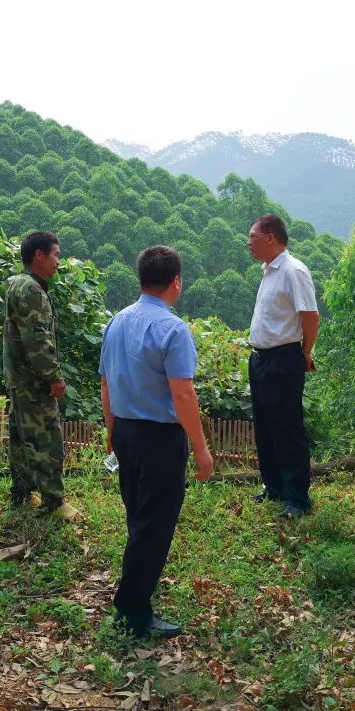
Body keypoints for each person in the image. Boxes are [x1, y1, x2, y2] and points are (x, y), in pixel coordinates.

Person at [99, 246, 215, 638]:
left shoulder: (117, 322)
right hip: (159, 438)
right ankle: (132, 611)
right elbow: (182, 395)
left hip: (126, 432)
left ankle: (135, 594)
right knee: (154, 523)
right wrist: (201, 449)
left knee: (138, 516)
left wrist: (112, 432)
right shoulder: (173, 329)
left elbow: (106, 383)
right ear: (176, 282)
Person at [246, 214, 320, 520]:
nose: (248, 242)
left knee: (287, 427)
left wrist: (305, 351)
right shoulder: (269, 270)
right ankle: (274, 486)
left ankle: (297, 498)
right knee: (265, 426)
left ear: (271, 238)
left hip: (283, 358)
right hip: (261, 358)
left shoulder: (293, 271)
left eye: (252, 236)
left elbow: (311, 317)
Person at [3, 230, 79, 521]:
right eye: (56, 254)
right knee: (47, 438)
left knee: (21, 439)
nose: (58, 261)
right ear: (39, 255)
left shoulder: (15, 284)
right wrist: (54, 377)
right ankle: (54, 502)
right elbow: (37, 340)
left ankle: (22, 495)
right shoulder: (33, 290)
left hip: (17, 378)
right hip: (33, 380)